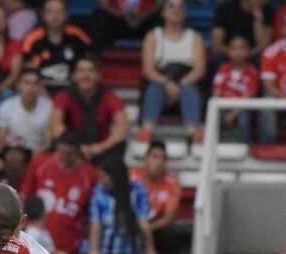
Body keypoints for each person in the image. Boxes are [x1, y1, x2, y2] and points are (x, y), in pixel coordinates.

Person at [136, 0, 205, 146]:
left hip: (186, 82)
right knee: (155, 87)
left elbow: (199, 70)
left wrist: (178, 85)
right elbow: (148, 70)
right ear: (163, 12)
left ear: (186, 12)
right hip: (161, 82)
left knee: (190, 89)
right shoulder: (153, 36)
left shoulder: (195, 37)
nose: (176, 10)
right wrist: (168, 83)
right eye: (171, 6)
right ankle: (146, 129)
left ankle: (193, 132)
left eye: (181, 7)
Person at [20, 131, 98, 254]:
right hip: (36, 244)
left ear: (78, 152)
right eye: (61, 153)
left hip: (70, 250)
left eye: (69, 154)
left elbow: (92, 213)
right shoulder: (40, 164)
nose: (64, 158)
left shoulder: (90, 175)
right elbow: (24, 199)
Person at [51, 53, 129, 165]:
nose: (86, 75)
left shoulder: (109, 97)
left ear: (98, 75)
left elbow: (122, 127)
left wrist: (101, 147)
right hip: (72, 149)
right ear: (74, 75)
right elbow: (56, 126)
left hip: (102, 150)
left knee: (120, 145)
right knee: (58, 143)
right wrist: (78, 147)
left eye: (91, 71)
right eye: (81, 71)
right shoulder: (64, 96)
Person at [87, 156, 157, 254]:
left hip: (130, 251)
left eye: (103, 176)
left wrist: (150, 250)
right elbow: (95, 222)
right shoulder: (98, 192)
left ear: (114, 177)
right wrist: (94, 250)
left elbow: (143, 222)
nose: (100, 180)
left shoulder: (137, 190)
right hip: (105, 250)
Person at [22, 0, 91, 94]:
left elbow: (90, 64)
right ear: (43, 15)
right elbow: (29, 71)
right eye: (50, 12)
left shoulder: (78, 36)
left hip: (73, 93)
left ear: (66, 14)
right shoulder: (32, 38)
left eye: (59, 12)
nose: (55, 16)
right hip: (40, 92)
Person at [129, 141, 181, 254]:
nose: (158, 162)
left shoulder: (172, 182)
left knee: (169, 233)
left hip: (155, 227)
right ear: (146, 159)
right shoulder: (132, 177)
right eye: (154, 157)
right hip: (133, 224)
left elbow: (168, 219)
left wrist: (146, 230)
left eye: (163, 158)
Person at [212, 35, 261, 145]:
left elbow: (247, 96)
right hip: (223, 105)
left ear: (249, 51)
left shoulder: (251, 71)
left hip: (242, 107)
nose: (237, 52)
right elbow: (217, 91)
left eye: (241, 48)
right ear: (228, 51)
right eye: (233, 48)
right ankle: (213, 147)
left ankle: (244, 147)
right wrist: (217, 107)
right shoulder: (223, 68)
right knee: (213, 114)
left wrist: (233, 114)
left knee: (244, 119)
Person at [0, 67, 53, 154]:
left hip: (39, 155)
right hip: (14, 155)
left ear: (40, 86)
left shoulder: (50, 108)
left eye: (35, 83)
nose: (31, 87)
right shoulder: (5, 107)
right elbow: (1, 142)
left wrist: (34, 158)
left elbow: (48, 143)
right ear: (18, 85)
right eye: (26, 83)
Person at [89, 0, 163, 54]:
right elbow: (102, 4)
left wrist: (143, 15)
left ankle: (163, 57)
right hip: (119, 22)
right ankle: (94, 59)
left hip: (145, 21)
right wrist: (122, 14)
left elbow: (160, 3)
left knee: (162, 15)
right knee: (99, 15)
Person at [260, 11, 286, 145]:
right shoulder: (271, 52)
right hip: (278, 97)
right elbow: (269, 87)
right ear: (282, 28)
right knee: (266, 102)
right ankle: (268, 146)